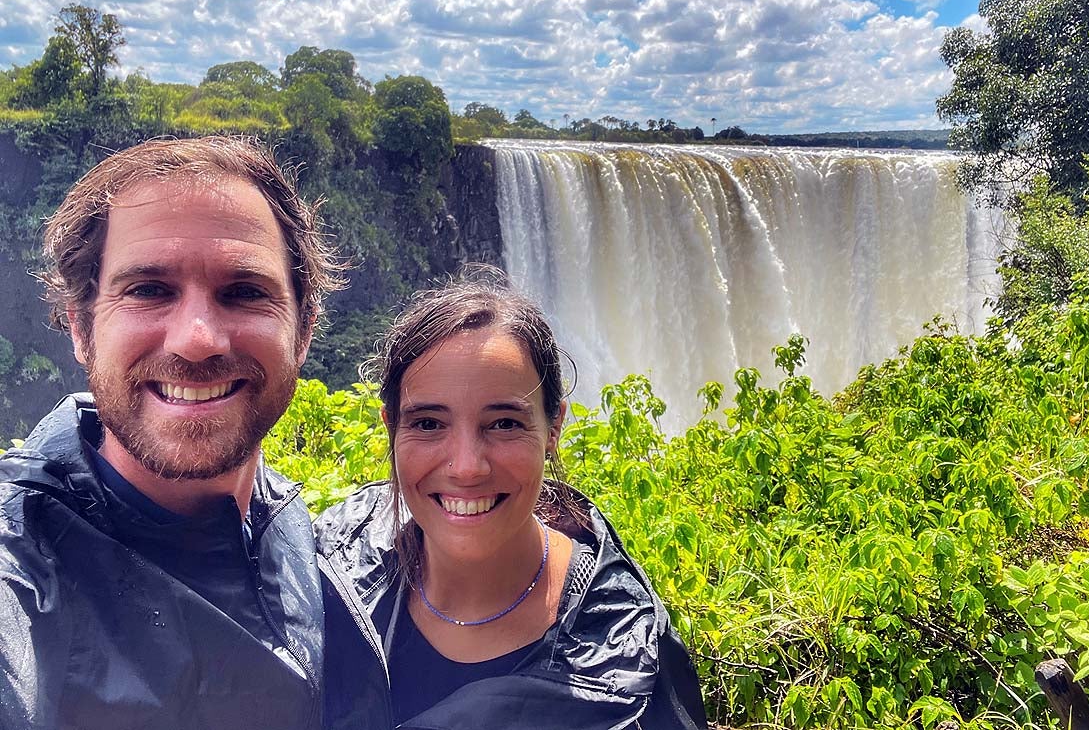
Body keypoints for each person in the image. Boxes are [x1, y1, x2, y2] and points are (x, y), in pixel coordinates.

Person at [0, 137, 348, 730]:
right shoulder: (21, 574)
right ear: (81, 328)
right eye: (148, 290)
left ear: (304, 330)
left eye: (244, 292)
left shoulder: (292, 524)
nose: (197, 338)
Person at [316, 272, 708, 729]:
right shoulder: (333, 572)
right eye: (427, 424)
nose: (466, 467)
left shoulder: (630, 659)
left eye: (503, 423)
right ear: (390, 427)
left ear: (554, 427)